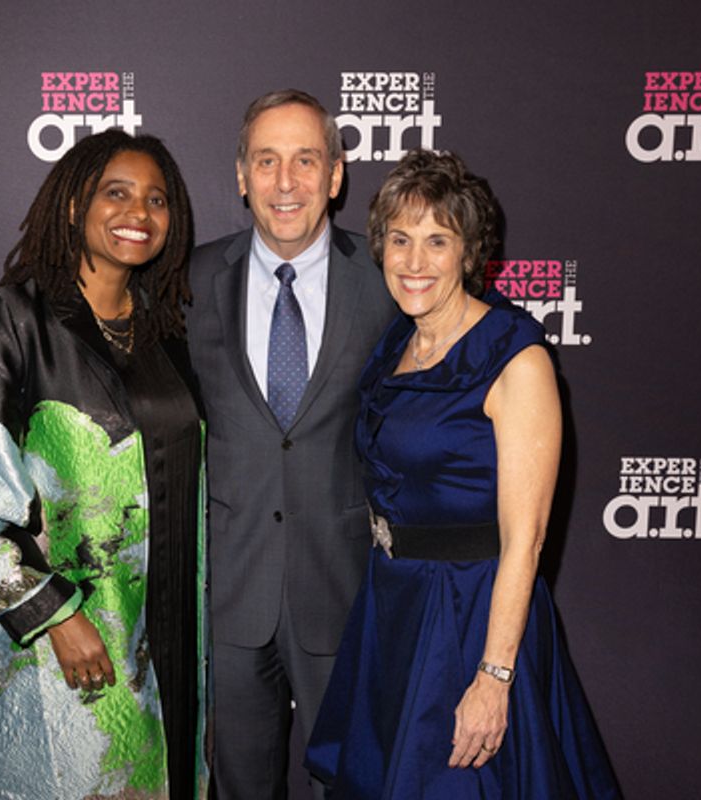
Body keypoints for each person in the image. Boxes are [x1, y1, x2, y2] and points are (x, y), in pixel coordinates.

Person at [305, 149, 620, 798]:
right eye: (399, 239)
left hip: (471, 616)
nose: (414, 261)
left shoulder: (514, 356)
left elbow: (527, 538)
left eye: (436, 241)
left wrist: (494, 676)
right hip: (394, 607)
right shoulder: (398, 343)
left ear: (469, 252)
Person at [0, 129, 208, 799]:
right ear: (72, 206)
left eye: (157, 199)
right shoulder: (12, 319)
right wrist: (57, 615)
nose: (138, 214)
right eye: (116, 193)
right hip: (66, 642)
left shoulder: (166, 326)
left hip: (170, 632)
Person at [185, 89, 397, 800]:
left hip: (343, 587)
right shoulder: (186, 282)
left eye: (305, 160)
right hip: (229, 598)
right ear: (240, 175)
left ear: (336, 175)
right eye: (267, 161)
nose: (286, 183)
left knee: (355, 784)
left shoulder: (391, 278)